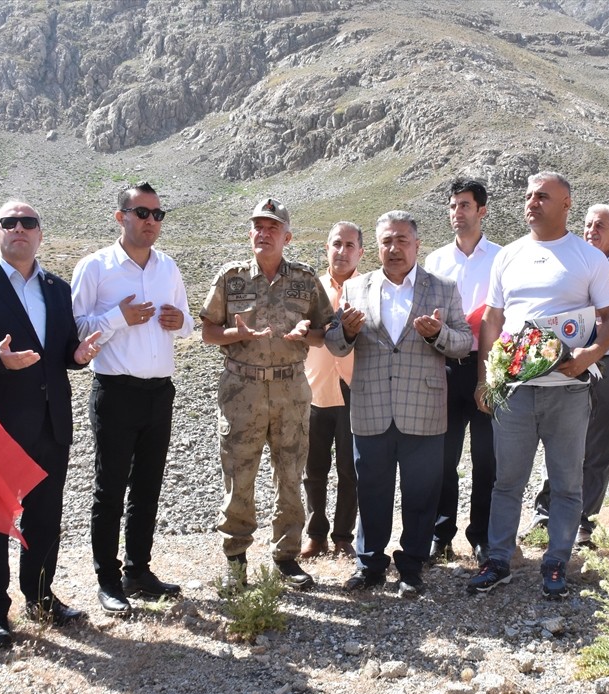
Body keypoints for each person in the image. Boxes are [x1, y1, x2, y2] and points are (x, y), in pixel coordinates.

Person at [0, 200, 100, 646]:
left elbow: (62, 352)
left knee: (45, 518)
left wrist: (78, 356)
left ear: (40, 234)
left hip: (50, 424)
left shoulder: (57, 288)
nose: (19, 228)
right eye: (9, 223)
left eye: (28, 222)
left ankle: (41, 597)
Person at [468, 171, 609, 598]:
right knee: (506, 482)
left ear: (567, 203)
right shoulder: (509, 255)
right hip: (514, 391)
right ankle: (498, 560)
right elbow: (493, 320)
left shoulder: (588, 258)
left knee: (567, 484)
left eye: (542, 197)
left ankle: (556, 562)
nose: (532, 203)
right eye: (529, 196)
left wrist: (590, 356)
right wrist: (485, 379)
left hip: (568, 391)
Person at [325, 211, 471, 597]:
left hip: (424, 408)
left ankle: (412, 567)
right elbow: (335, 344)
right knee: (371, 491)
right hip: (370, 407)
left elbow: (464, 343)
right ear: (377, 247)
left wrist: (438, 334)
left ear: (417, 245)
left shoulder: (443, 288)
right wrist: (347, 332)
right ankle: (369, 564)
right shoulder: (355, 289)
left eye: (402, 240)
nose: (394, 248)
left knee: (421, 493)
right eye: (387, 241)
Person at [71, 183, 194, 614]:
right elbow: (77, 330)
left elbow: (187, 323)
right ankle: (108, 580)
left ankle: (138, 571)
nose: (151, 222)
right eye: (142, 213)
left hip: (159, 392)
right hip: (116, 391)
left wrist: (180, 321)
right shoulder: (95, 267)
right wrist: (117, 318)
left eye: (158, 214)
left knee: (147, 486)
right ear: (120, 216)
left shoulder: (168, 267)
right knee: (110, 490)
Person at [199, 198, 334, 590]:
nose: (264, 233)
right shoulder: (232, 277)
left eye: (273, 227)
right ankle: (236, 560)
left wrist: (307, 333)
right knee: (239, 474)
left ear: (287, 237)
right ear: (250, 234)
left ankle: (286, 556)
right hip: (242, 389)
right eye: (258, 226)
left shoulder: (305, 279)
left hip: (291, 388)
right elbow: (207, 332)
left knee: (290, 473)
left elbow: (325, 333)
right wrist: (235, 334)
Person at [529, 204, 609, 550]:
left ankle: (585, 521)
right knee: (557, 436)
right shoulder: (569, 261)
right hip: (566, 361)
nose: (591, 231)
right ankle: (545, 515)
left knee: (600, 443)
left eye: (600, 226)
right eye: (587, 224)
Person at [424, 178, 501, 565]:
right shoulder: (436, 261)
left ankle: (482, 536)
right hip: (445, 369)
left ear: (482, 210)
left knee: (487, 459)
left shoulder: (502, 258)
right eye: (453, 205)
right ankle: (441, 535)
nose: (458, 212)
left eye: (465, 205)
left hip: (489, 367)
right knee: (443, 458)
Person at [299, 221, 364, 560]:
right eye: (336, 244)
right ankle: (315, 535)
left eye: (350, 245)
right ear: (327, 248)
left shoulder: (369, 289)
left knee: (350, 469)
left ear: (361, 252)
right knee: (314, 469)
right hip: (315, 388)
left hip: (356, 389)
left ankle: (343, 536)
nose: (342, 251)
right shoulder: (311, 289)